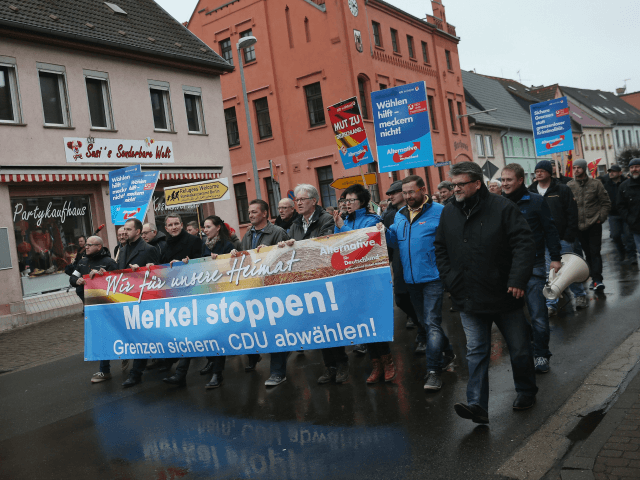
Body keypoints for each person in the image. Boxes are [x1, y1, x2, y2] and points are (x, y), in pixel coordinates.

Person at [434, 161, 537, 424]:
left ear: (477, 183)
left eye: (460, 184)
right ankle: (477, 405)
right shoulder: (448, 212)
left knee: (519, 349)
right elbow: (440, 248)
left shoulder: (503, 208)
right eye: (452, 184)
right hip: (467, 296)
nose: (454, 189)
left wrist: (517, 279)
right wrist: (450, 279)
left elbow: (524, 244)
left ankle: (526, 391)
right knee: (476, 351)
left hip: (505, 294)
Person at [382, 175, 452, 389]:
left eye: (412, 192)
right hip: (411, 280)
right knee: (426, 323)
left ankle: (433, 371)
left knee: (431, 323)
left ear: (423, 190)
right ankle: (447, 353)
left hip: (433, 278)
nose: (408, 196)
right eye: (405, 193)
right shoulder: (400, 215)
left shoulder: (440, 212)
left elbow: (452, 241)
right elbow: (394, 240)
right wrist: (381, 232)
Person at [277, 185, 341, 384]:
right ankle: (330, 367)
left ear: (314, 201)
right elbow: (290, 246)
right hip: (306, 281)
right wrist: (281, 246)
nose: (299, 203)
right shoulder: (296, 224)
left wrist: (298, 246)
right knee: (320, 325)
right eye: (297, 200)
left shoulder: (325, 219)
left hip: (326, 279)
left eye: (303, 199)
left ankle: (341, 364)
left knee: (332, 323)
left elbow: (324, 245)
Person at [502, 164, 562, 374]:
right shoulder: (498, 203)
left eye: (509, 180)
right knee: (513, 316)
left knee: (538, 314)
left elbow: (550, 230)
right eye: (502, 180)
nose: (505, 184)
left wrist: (555, 258)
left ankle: (541, 355)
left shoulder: (535, 201)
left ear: (520, 180)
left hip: (534, 266)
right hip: (508, 270)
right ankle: (529, 345)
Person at [233, 199, 290, 387]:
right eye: (249, 212)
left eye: (254, 212)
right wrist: (236, 255)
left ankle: (277, 372)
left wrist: (271, 252)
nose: (250, 215)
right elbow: (246, 261)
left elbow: (287, 258)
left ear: (265, 213)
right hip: (256, 288)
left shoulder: (277, 232)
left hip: (274, 289)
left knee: (276, 329)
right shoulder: (248, 234)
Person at [528, 160, 587, 314]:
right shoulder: (531, 191)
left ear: (549, 172)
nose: (539, 173)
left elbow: (572, 213)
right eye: (537, 171)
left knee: (568, 270)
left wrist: (568, 236)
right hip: (542, 239)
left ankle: (580, 295)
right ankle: (551, 304)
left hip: (562, 238)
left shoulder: (561, 189)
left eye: (542, 170)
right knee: (550, 272)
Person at [333, 184, 383, 358]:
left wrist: (342, 227)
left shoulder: (372, 219)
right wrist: (338, 227)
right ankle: (374, 360)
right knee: (358, 315)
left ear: (361, 202)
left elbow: (361, 244)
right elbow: (338, 244)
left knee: (373, 317)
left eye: (351, 200)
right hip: (350, 276)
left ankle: (385, 359)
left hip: (368, 276)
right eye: (345, 200)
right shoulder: (344, 219)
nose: (347, 204)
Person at [160, 214, 207, 386]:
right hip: (175, 293)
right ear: (166, 228)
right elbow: (162, 265)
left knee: (190, 332)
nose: (173, 227)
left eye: (176, 224)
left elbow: (203, 263)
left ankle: (181, 372)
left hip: (192, 291)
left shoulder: (193, 241)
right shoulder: (166, 244)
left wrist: (185, 263)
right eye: (170, 225)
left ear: (182, 224)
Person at [117, 218, 160, 387]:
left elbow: (158, 274)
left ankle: (136, 373)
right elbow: (118, 271)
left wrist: (144, 271)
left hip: (144, 299)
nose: (125, 232)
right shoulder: (122, 249)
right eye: (124, 229)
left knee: (140, 336)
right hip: (126, 298)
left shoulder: (149, 249)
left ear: (137, 231)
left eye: (128, 229)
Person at [68, 236, 118, 383]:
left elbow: (119, 281)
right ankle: (104, 370)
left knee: (110, 334)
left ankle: (133, 358)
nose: (87, 247)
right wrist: (76, 281)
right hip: (90, 307)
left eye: (90, 245)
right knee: (99, 336)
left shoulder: (109, 262)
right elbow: (72, 278)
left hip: (107, 305)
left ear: (99, 247)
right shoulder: (82, 261)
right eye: (86, 245)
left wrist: (105, 275)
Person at [568, 159, 611, 291]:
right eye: (574, 168)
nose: (576, 170)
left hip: (593, 223)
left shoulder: (595, 184)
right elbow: (567, 206)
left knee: (595, 252)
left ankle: (597, 279)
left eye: (578, 168)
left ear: (584, 168)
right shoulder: (569, 185)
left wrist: (600, 218)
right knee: (587, 253)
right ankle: (593, 277)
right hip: (578, 226)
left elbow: (606, 202)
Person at [384, 181, 420, 337]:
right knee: (400, 298)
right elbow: (390, 242)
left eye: (394, 192)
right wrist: (389, 262)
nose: (390, 196)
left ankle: (423, 334)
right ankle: (420, 323)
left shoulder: (422, 211)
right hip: (399, 260)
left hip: (418, 261)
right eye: (389, 194)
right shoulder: (390, 214)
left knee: (419, 300)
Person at [603, 165, 638, 264]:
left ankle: (632, 256)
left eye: (613, 171)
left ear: (620, 173)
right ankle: (621, 253)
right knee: (615, 235)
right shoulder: (606, 185)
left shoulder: (626, 183)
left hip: (626, 213)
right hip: (613, 214)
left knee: (628, 236)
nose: (611, 173)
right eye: (610, 171)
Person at [617, 158, 640, 258]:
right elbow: (620, 206)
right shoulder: (624, 186)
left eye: (637, 167)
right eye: (631, 167)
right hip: (636, 226)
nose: (634, 169)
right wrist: (629, 219)